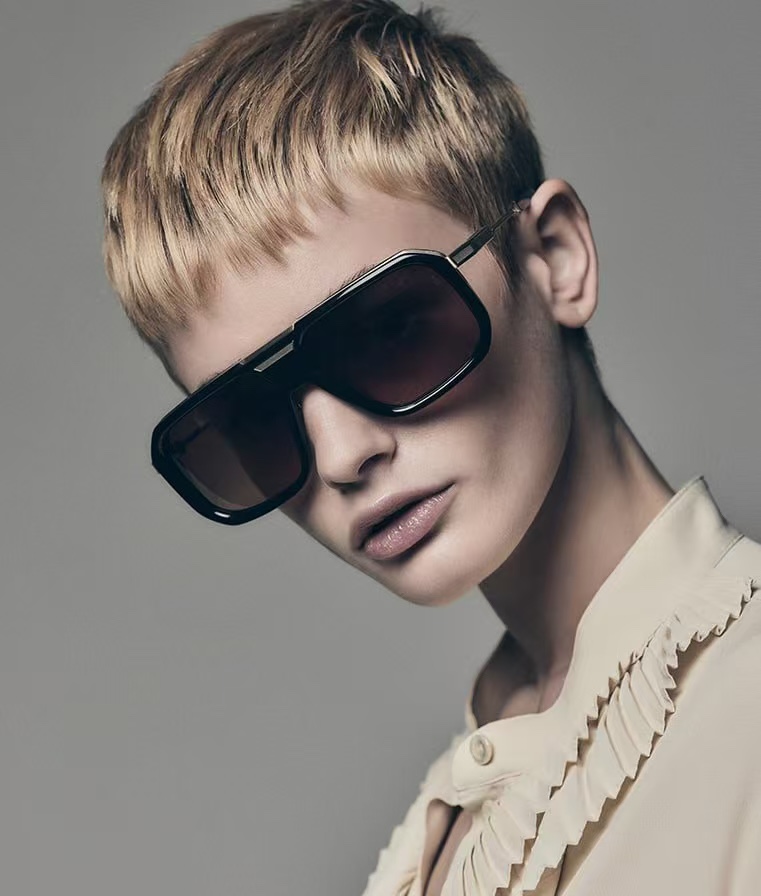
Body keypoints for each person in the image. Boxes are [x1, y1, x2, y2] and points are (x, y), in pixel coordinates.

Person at [99, 1, 761, 893]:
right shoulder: (454, 818)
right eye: (252, 419)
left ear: (555, 257)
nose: (340, 456)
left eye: (390, 330)